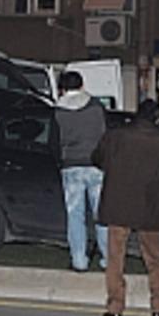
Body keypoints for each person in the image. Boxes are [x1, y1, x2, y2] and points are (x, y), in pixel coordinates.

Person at [92, 99, 159, 316]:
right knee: (154, 258)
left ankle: (115, 306)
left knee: (115, 257)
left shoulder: (115, 136)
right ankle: (158, 306)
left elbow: (97, 159)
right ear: (157, 117)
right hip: (148, 204)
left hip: (118, 202)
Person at [54, 71, 108, 271]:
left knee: (75, 215)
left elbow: (54, 141)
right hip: (95, 165)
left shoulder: (58, 110)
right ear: (82, 85)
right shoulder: (96, 107)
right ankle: (108, 259)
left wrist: (60, 161)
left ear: (63, 88)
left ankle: (79, 260)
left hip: (71, 166)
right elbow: (105, 136)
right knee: (102, 214)